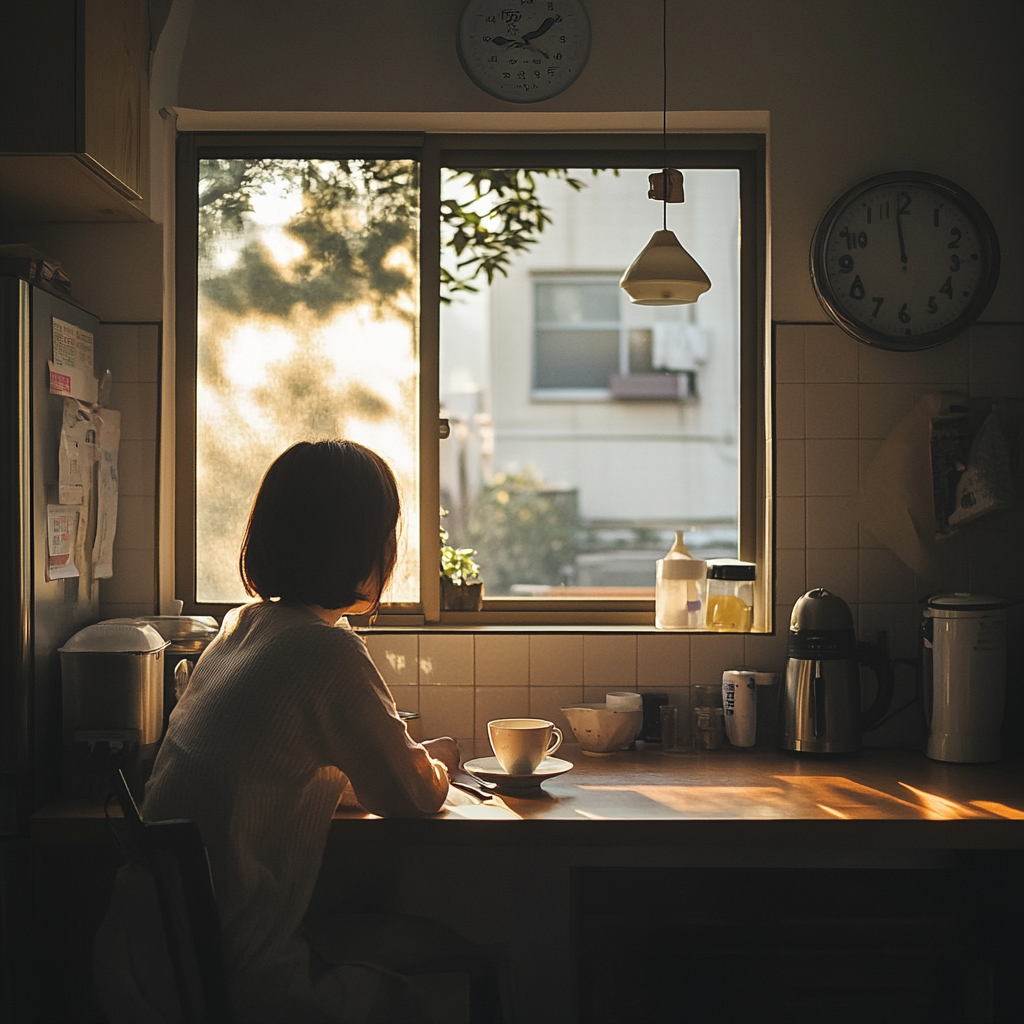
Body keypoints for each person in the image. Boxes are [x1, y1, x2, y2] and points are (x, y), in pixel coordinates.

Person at [95, 440, 464, 1023]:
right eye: (389, 532)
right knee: (460, 974)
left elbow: (283, 767)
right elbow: (409, 795)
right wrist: (441, 761)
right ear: (362, 546)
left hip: (151, 961)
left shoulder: (241, 627)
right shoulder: (325, 650)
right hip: (245, 981)